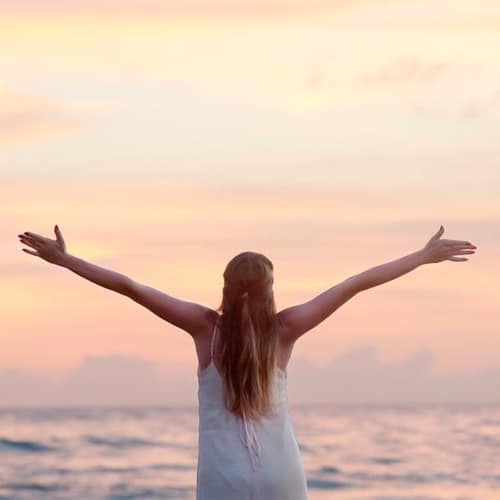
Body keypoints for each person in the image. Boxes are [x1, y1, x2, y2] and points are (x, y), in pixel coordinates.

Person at [17, 224, 477, 499]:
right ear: (270, 290)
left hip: (223, 478)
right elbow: (356, 283)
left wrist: (66, 260)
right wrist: (421, 257)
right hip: (281, 473)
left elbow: (132, 287)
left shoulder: (203, 328)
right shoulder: (287, 328)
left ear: (225, 284)